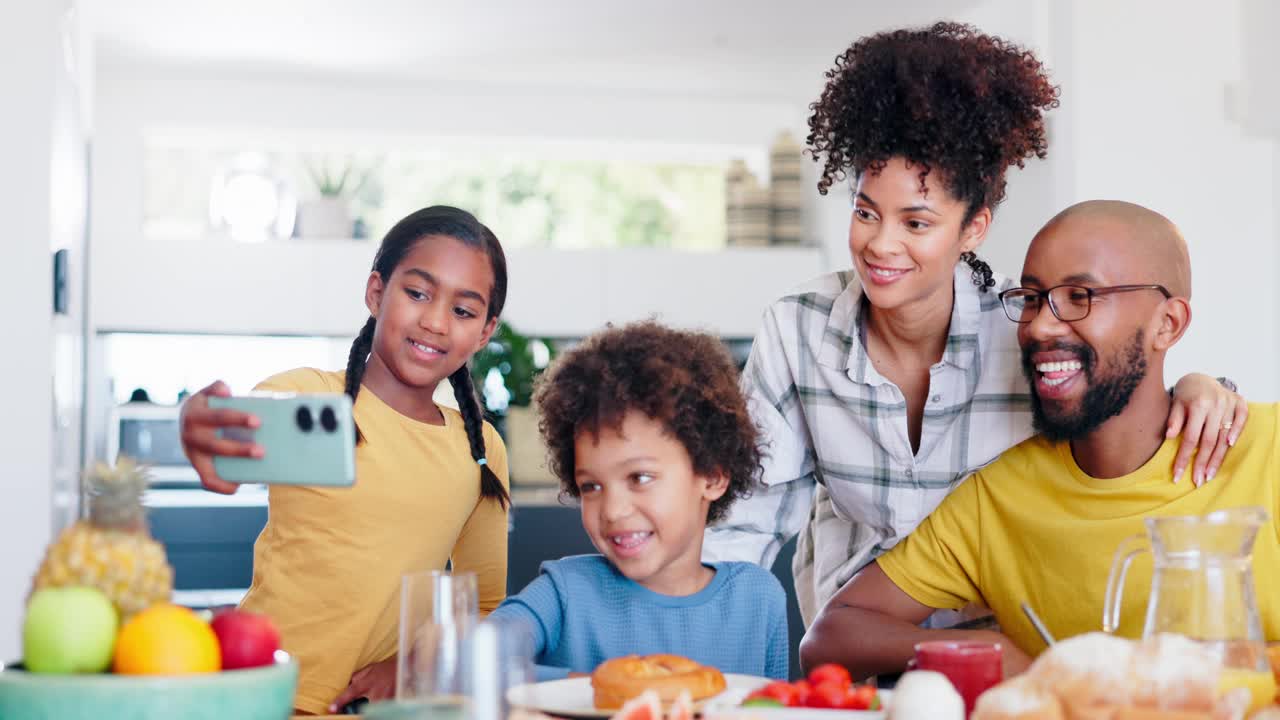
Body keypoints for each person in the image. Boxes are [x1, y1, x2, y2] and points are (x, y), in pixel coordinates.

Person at [702, 22, 1246, 626]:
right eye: (865, 212)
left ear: (974, 228)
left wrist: (1202, 385)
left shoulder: (1028, 329)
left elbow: (1124, 397)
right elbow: (742, 528)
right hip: (851, 639)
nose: (881, 244)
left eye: (916, 223)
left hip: (1004, 650)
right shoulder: (797, 332)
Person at [799, 200, 1280, 681]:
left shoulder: (1267, 449)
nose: (1041, 326)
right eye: (1032, 297)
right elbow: (831, 636)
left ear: (1168, 324)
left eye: (1080, 296)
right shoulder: (997, 499)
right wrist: (986, 650)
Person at [179, 206, 511, 714]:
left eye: (463, 311)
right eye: (417, 293)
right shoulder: (309, 396)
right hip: (260, 695)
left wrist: (410, 668)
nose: (435, 321)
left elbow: (484, 607)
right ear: (377, 293)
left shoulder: (479, 445)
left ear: (485, 332)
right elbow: (228, 443)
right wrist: (197, 422)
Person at [488, 322, 789, 680]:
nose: (613, 511)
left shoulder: (757, 598)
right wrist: (596, 689)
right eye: (591, 486)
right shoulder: (565, 592)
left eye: (639, 478)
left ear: (712, 475)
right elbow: (468, 661)